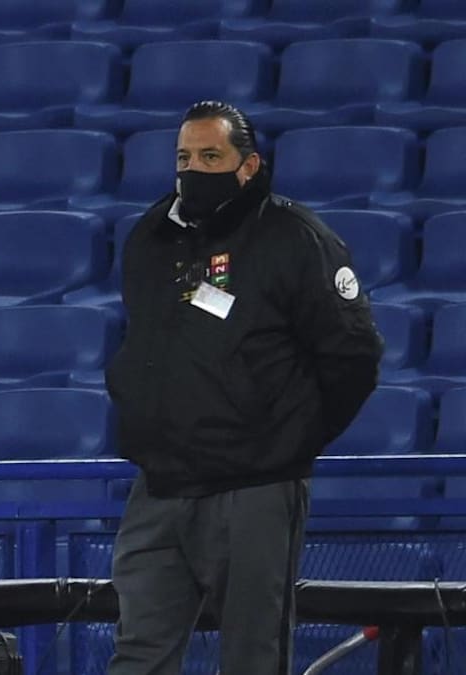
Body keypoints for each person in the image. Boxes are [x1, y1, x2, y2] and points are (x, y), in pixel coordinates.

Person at [104, 100, 384, 675]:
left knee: (252, 658)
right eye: (184, 156)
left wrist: (285, 439)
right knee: (136, 655)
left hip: (255, 488)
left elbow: (354, 355)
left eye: (211, 156)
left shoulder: (295, 237)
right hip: (159, 487)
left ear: (249, 165)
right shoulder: (152, 237)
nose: (194, 169)